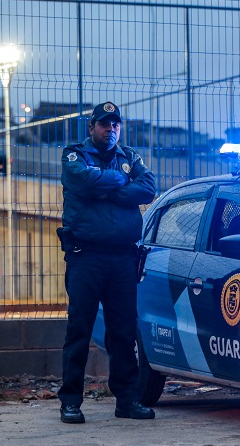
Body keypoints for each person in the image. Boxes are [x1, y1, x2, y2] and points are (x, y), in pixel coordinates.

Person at [57, 101, 156, 423]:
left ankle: (126, 401)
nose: (110, 129)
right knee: (79, 330)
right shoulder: (74, 155)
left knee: (124, 333)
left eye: (115, 125)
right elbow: (81, 180)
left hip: (123, 259)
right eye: (104, 124)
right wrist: (120, 183)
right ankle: (71, 401)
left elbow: (148, 189)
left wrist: (104, 186)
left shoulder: (130, 156)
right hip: (86, 257)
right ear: (91, 127)